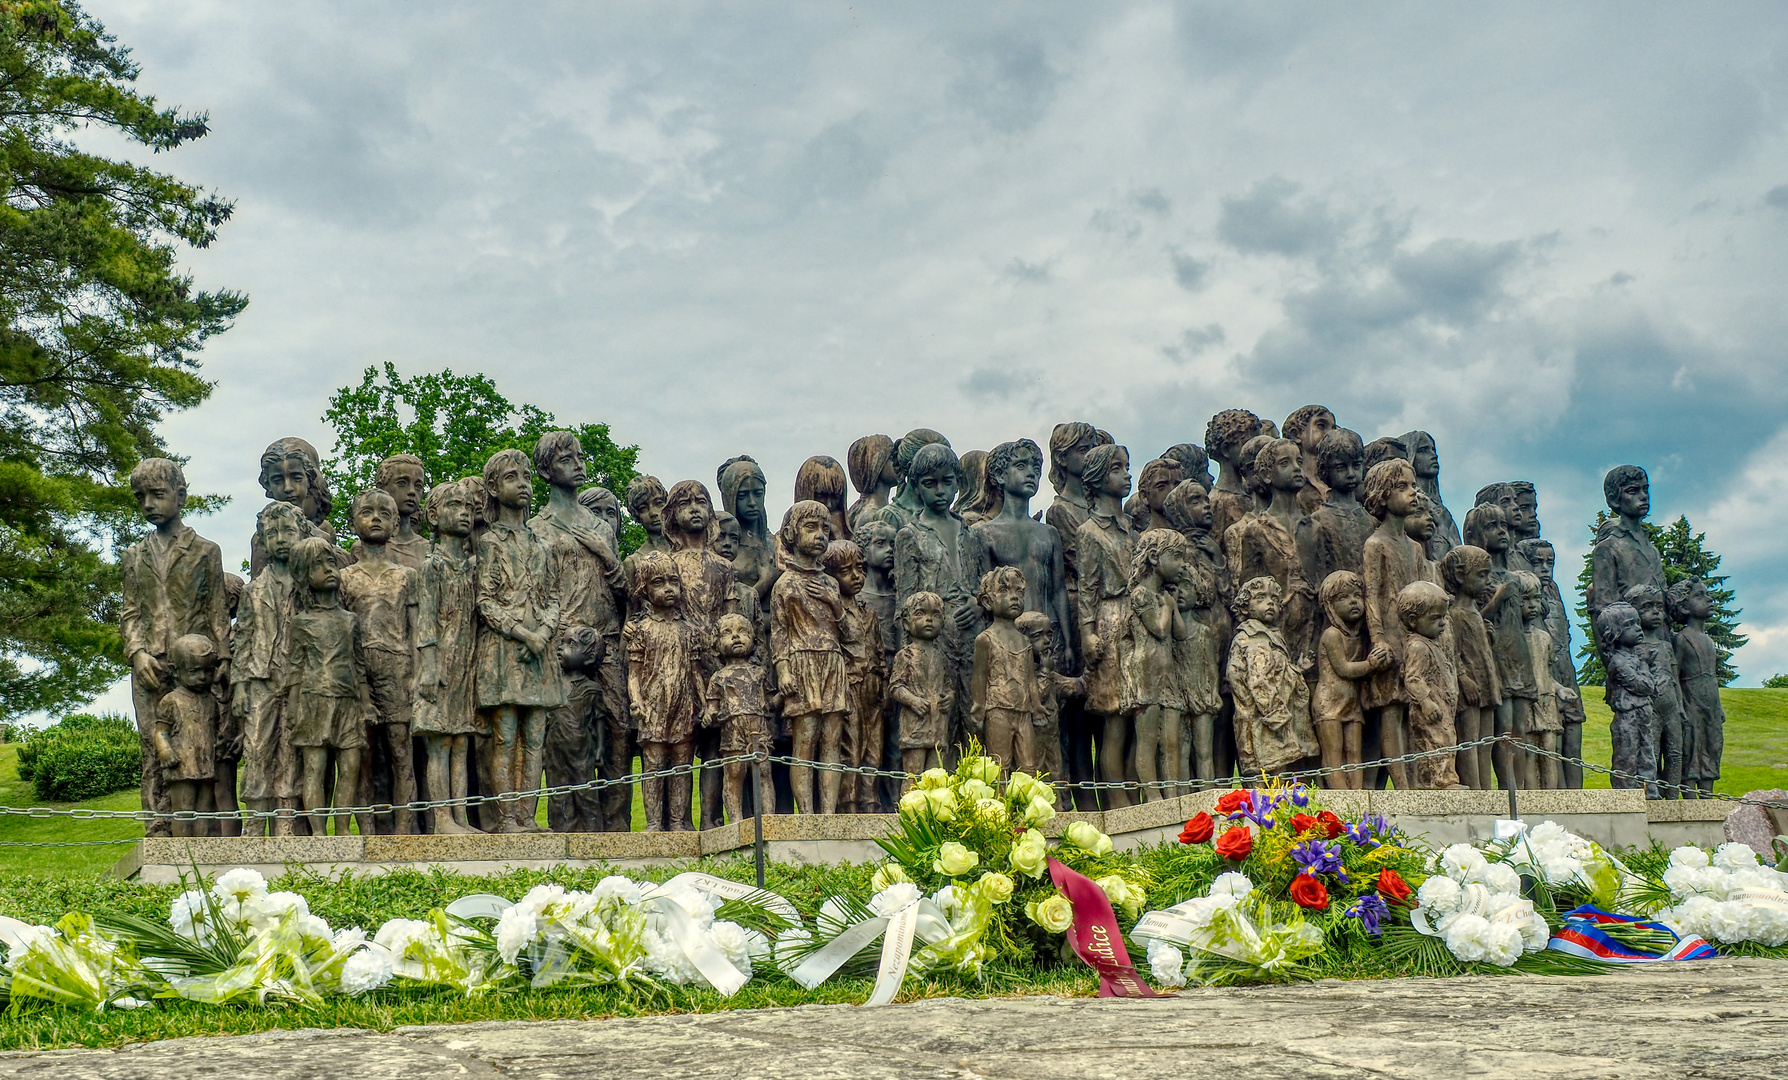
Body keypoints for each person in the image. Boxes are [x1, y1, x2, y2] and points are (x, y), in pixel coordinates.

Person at [122, 458, 231, 838]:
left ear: (180, 496)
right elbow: (131, 611)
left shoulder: (206, 551)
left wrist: (225, 658)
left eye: (157, 494)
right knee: (154, 745)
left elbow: (218, 610)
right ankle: (159, 824)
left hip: (197, 666)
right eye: (141, 498)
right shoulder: (134, 555)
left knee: (202, 744)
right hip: (151, 663)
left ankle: (205, 824)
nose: (149, 504)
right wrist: (137, 654)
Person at [626, 552, 705, 830]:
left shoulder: (689, 630)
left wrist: (704, 702)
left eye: (674, 581)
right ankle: (654, 823)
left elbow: (695, 672)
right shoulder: (641, 630)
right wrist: (636, 701)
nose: (669, 588)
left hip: (683, 706)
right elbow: (633, 674)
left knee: (683, 764)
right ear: (645, 589)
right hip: (653, 705)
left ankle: (678, 821)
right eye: (659, 582)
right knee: (654, 764)